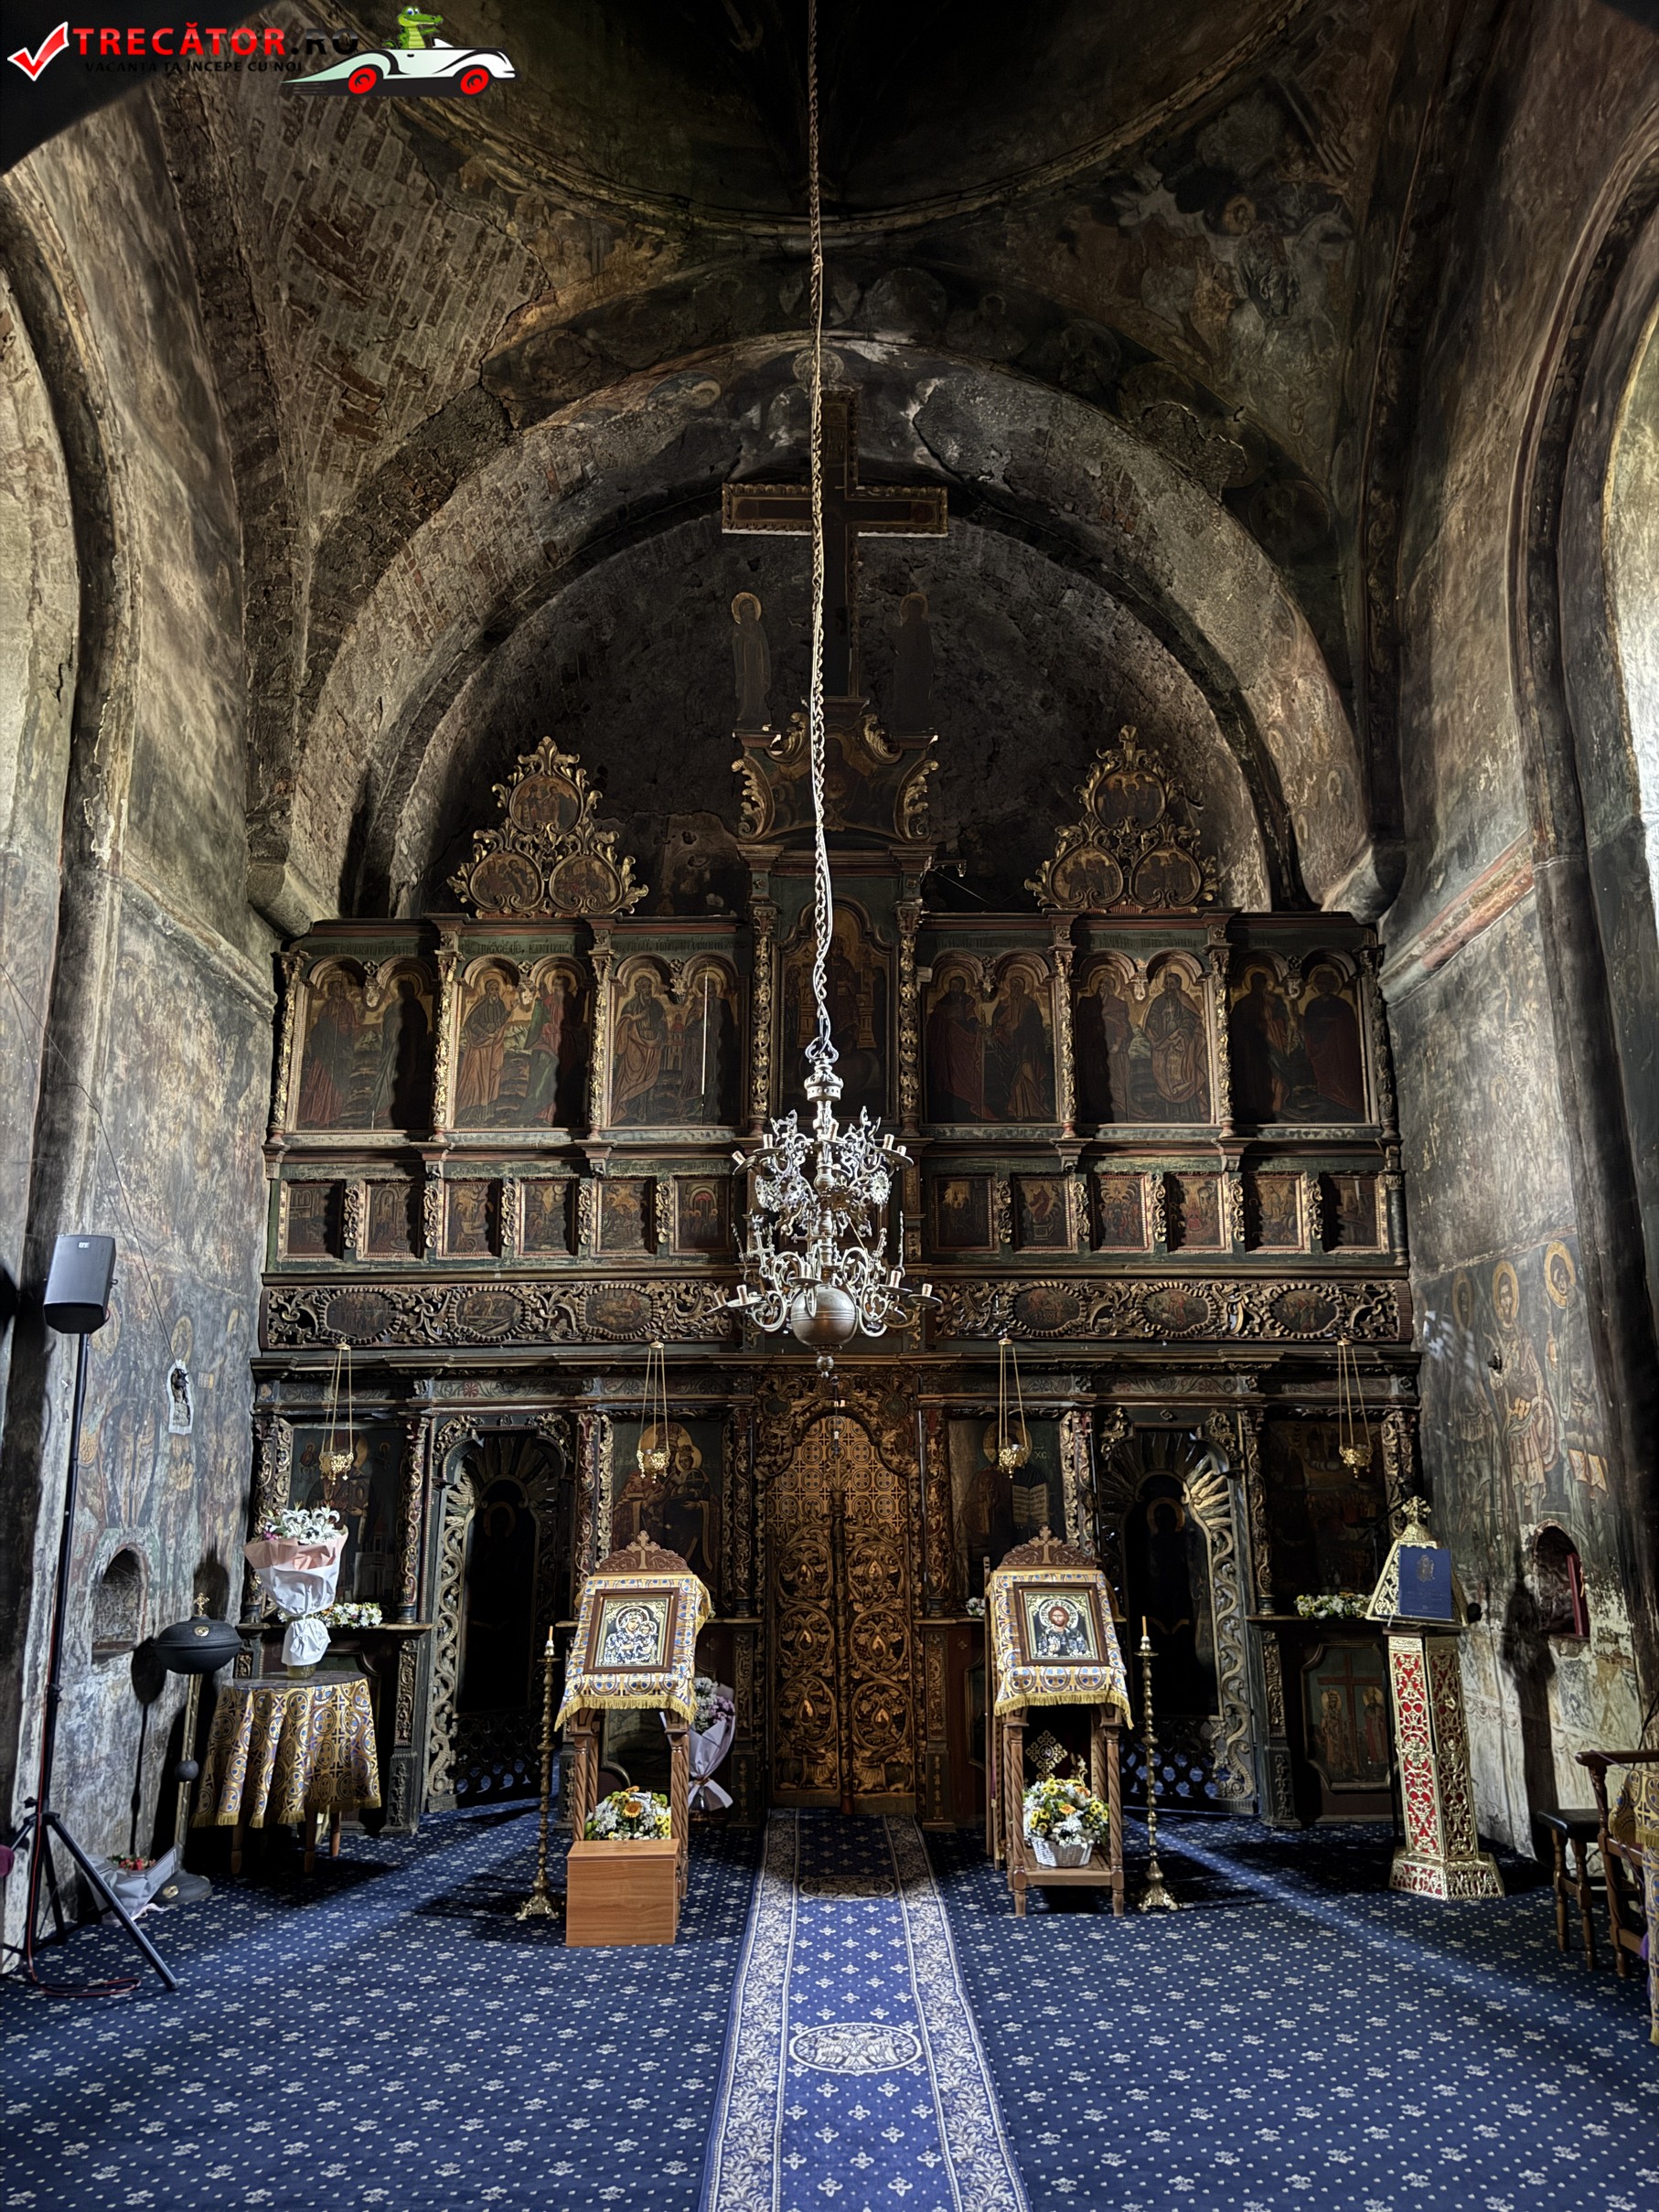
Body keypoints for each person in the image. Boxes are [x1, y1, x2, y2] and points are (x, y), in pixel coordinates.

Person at [926, 972, 983, 1120]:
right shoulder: (942, 1003)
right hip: (946, 1043)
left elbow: (971, 1017)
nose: (954, 989)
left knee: (966, 1070)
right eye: (952, 986)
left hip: (963, 1041)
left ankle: (968, 1100)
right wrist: (944, 1022)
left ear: (962, 987)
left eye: (957, 986)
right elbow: (934, 1022)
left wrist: (976, 1025)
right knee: (948, 1069)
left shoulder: (966, 1000)